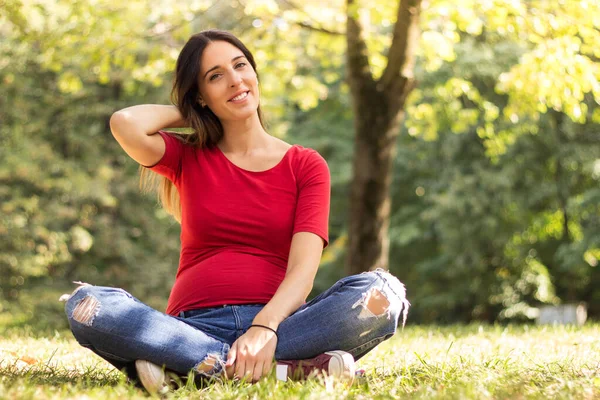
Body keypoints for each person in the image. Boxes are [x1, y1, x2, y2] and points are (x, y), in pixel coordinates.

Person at [62, 29, 410, 394]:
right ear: (200, 95)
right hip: (190, 328)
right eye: (215, 77)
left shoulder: (305, 165)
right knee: (88, 304)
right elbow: (125, 123)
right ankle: (284, 370)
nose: (235, 81)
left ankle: (194, 367)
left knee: (383, 293)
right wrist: (198, 111)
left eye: (240, 66)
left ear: (255, 73)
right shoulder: (189, 156)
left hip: (284, 327)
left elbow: (304, 270)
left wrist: (264, 327)